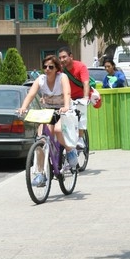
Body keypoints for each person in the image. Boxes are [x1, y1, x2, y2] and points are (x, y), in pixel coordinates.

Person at [18, 55, 77, 184]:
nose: (47, 69)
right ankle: (40, 174)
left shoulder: (62, 78)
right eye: (45, 67)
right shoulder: (41, 79)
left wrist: (66, 106)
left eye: (51, 67)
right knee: (41, 140)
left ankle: (69, 150)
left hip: (62, 109)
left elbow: (67, 93)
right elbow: (31, 94)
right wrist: (23, 107)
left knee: (58, 129)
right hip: (48, 110)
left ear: (57, 68)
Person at [58, 46, 90, 149]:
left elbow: (86, 83)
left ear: (71, 56)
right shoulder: (61, 70)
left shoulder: (81, 67)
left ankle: (80, 138)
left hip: (80, 96)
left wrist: (85, 98)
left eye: (64, 57)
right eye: (60, 58)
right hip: (68, 98)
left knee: (81, 112)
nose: (62, 60)